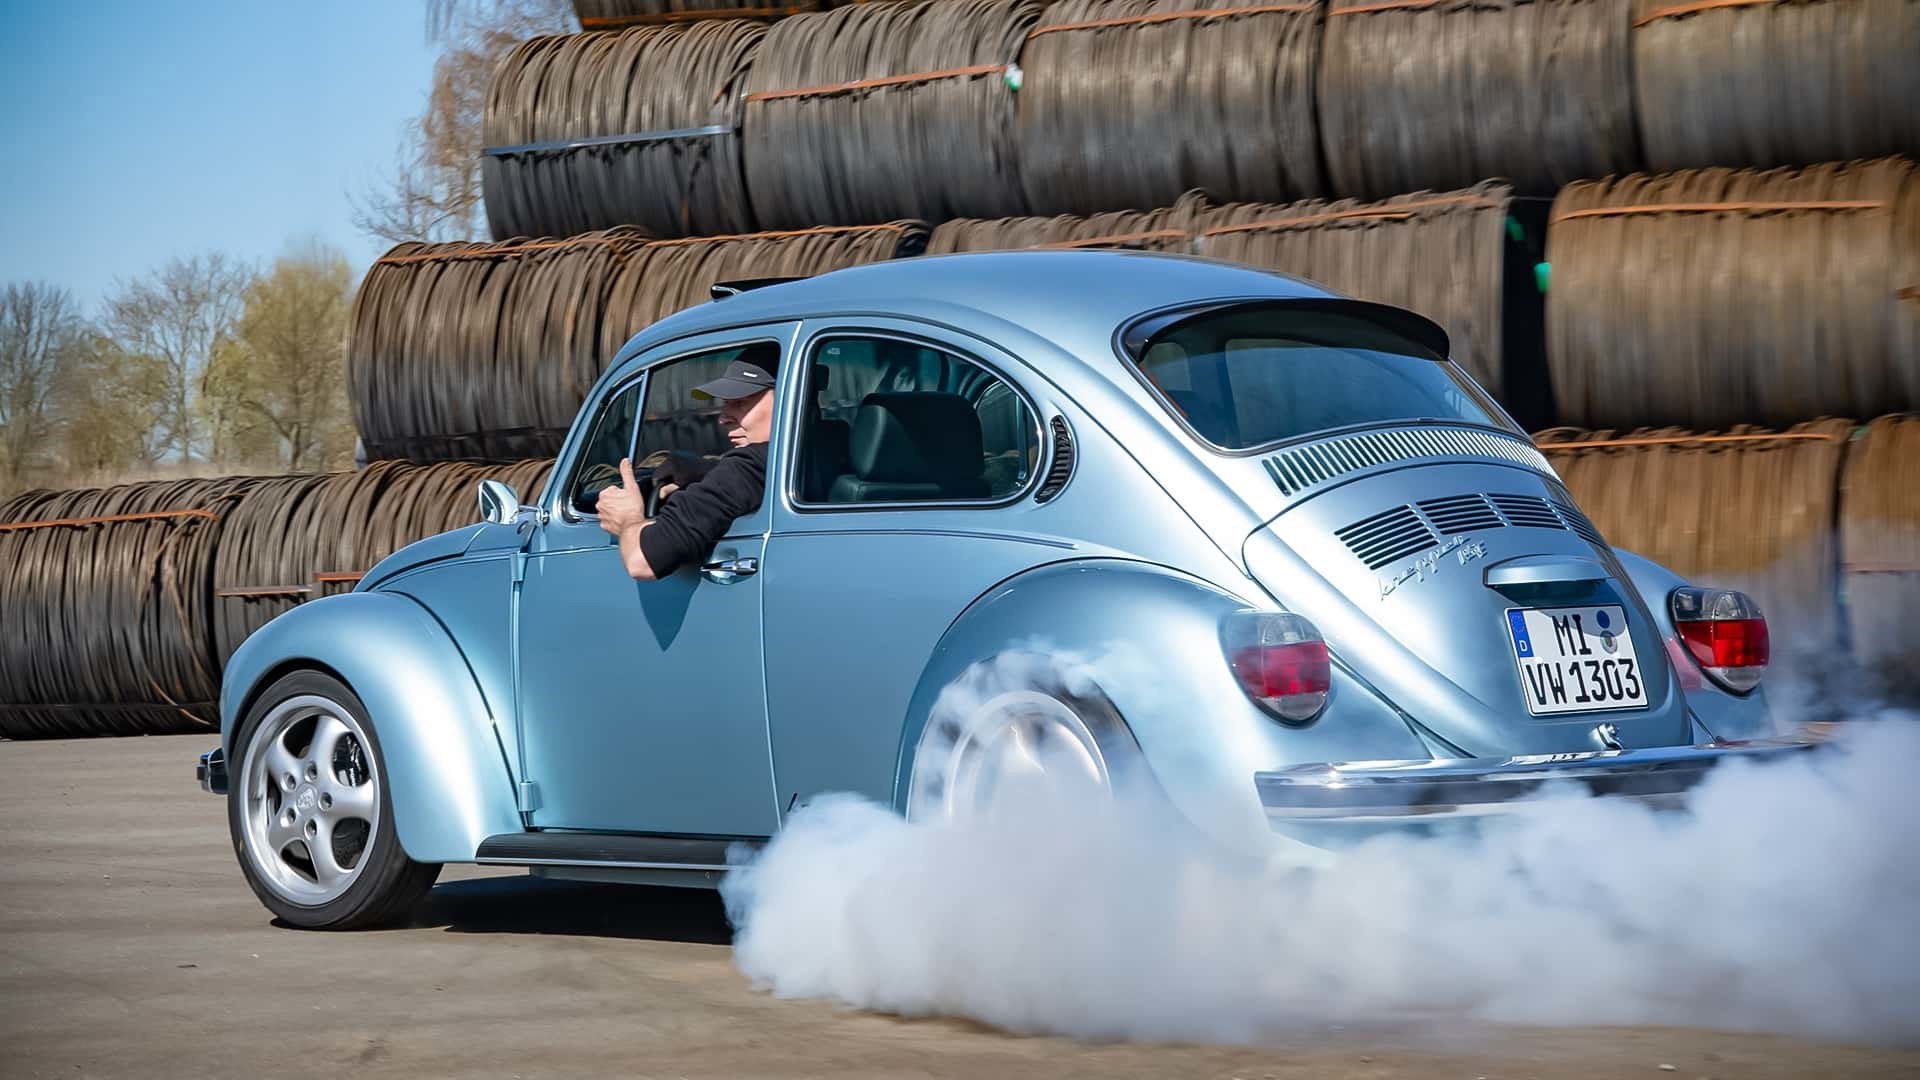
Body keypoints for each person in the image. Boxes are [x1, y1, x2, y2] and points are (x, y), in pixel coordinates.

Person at [595, 349, 776, 581]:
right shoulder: (821, 447)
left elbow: (642, 561)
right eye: (726, 404)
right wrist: (706, 470)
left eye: (741, 403)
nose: (723, 418)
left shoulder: (747, 468)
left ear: (789, 398)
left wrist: (629, 517)